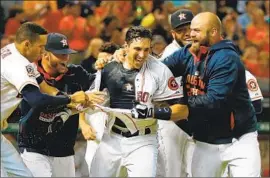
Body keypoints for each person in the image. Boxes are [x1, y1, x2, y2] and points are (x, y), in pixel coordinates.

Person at [162, 12, 261, 177]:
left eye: (196, 30)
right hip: (205, 140)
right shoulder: (187, 52)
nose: (190, 34)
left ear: (213, 32)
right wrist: (122, 59)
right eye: (189, 30)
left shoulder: (226, 58)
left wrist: (178, 109)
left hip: (238, 139)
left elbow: (213, 100)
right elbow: (158, 70)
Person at [90, 26, 188, 177]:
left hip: (143, 141)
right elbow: (90, 99)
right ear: (126, 46)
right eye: (137, 48)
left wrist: (151, 111)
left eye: (146, 49)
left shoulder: (160, 70)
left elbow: (182, 110)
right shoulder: (109, 68)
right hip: (111, 138)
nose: (142, 55)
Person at [1, 22, 87, 177]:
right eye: (40, 46)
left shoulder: (16, 54)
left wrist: (75, 101)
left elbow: (47, 89)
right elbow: (37, 100)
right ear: (27, 44)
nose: (42, 51)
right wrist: (70, 100)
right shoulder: (17, 64)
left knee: (25, 175)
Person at [17, 33, 106, 177]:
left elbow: (101, 83)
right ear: (46, 55)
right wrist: (72, 101)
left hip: (63, 150)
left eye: (67, 54)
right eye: (61, 55)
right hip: (34, 148)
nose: (66, 59)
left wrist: (111, 63)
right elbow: (40, 103)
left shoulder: (76, 73)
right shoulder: (29, 74)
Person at [157, 9, 195, 177]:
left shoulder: (199, 50)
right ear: (173, 33)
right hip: (172, 122)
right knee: (172, 172)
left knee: (194, 170)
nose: (186, 33)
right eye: (181, 30)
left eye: (189, 28)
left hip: (191, 119)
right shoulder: (170, 54)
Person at [79, 42, 119, 175]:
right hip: (96, 132)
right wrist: (83, 125)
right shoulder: (93, 79)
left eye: (107, 60)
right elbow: (81, 105)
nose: (102, 63)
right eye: (100, 59)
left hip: (118, 135)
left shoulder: (125, 79)